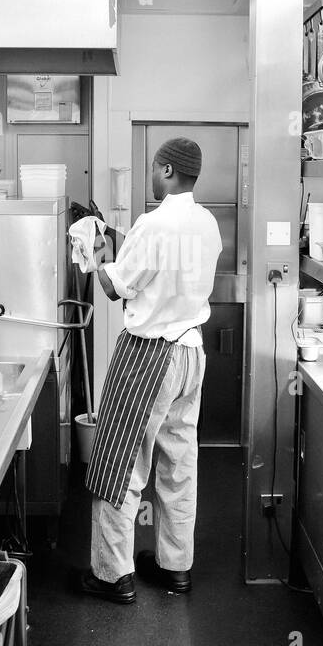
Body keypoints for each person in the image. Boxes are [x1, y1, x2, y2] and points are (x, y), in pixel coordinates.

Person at [80, 137, 222, 603]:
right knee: (178, 464)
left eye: (154, 168)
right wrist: (124, 246)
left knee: (119, 463)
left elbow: (115, 287)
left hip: (148, 356)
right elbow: (167, 269)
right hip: (191, 356)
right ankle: (174, 565)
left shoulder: (152, 223)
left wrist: (91, 255)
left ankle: (112, 575)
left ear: (165, 170)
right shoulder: (207, 223)